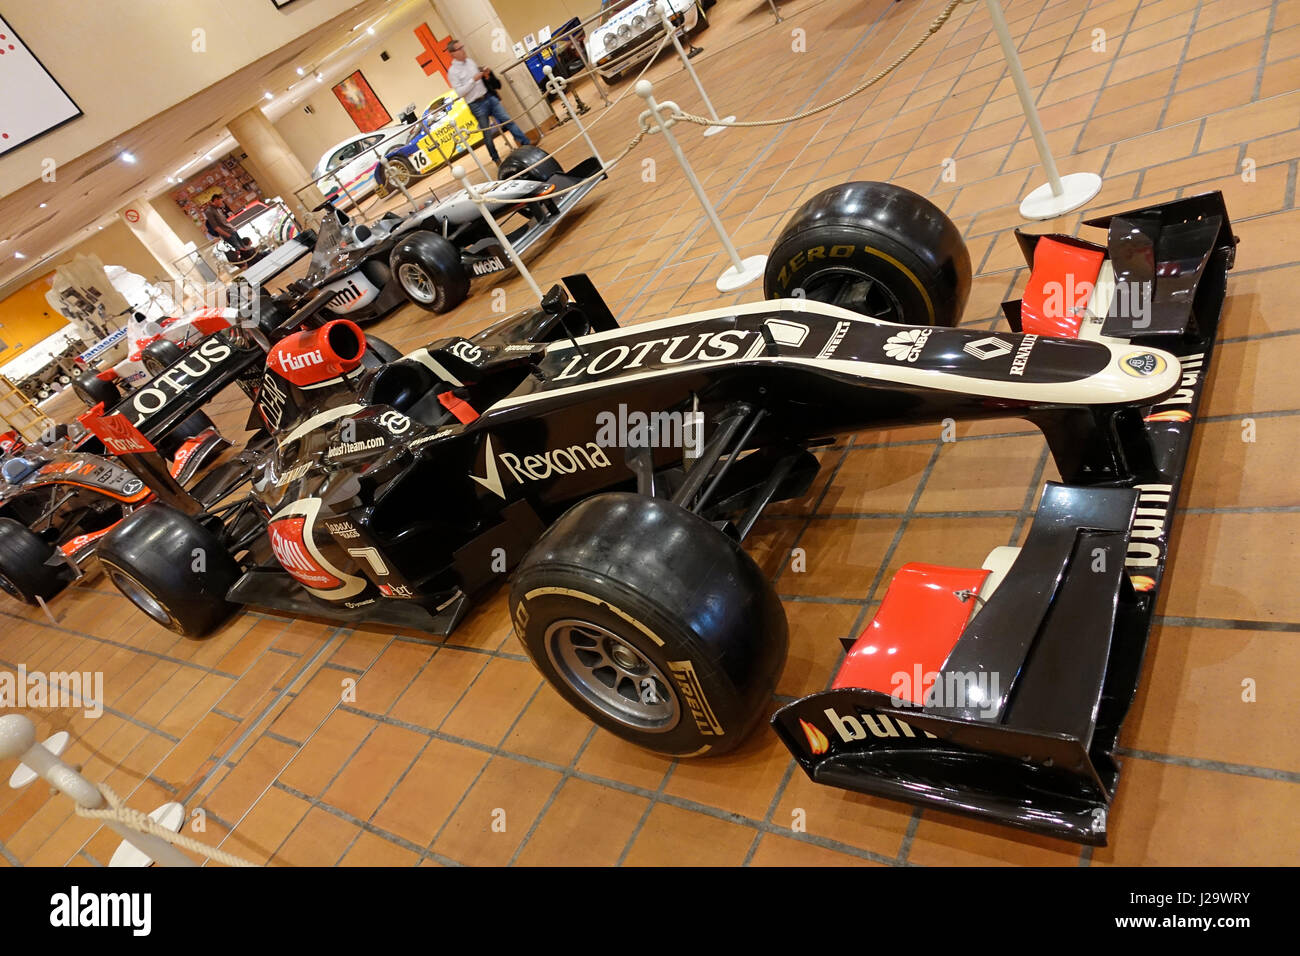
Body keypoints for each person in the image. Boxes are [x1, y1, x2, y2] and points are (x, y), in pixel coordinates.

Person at [445, 39, 532, 165]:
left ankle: (526, 144)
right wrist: (472, 80)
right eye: (459, 49)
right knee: (487, 134)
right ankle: (496, 159)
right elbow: (460, 93)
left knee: (508, 120)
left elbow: (480, 78)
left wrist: (485, 73)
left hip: (488, 96)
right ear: (452, 53)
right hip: (476, 104)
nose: (463, 50)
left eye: (462, 47)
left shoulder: (470, 62)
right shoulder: (453, 72)